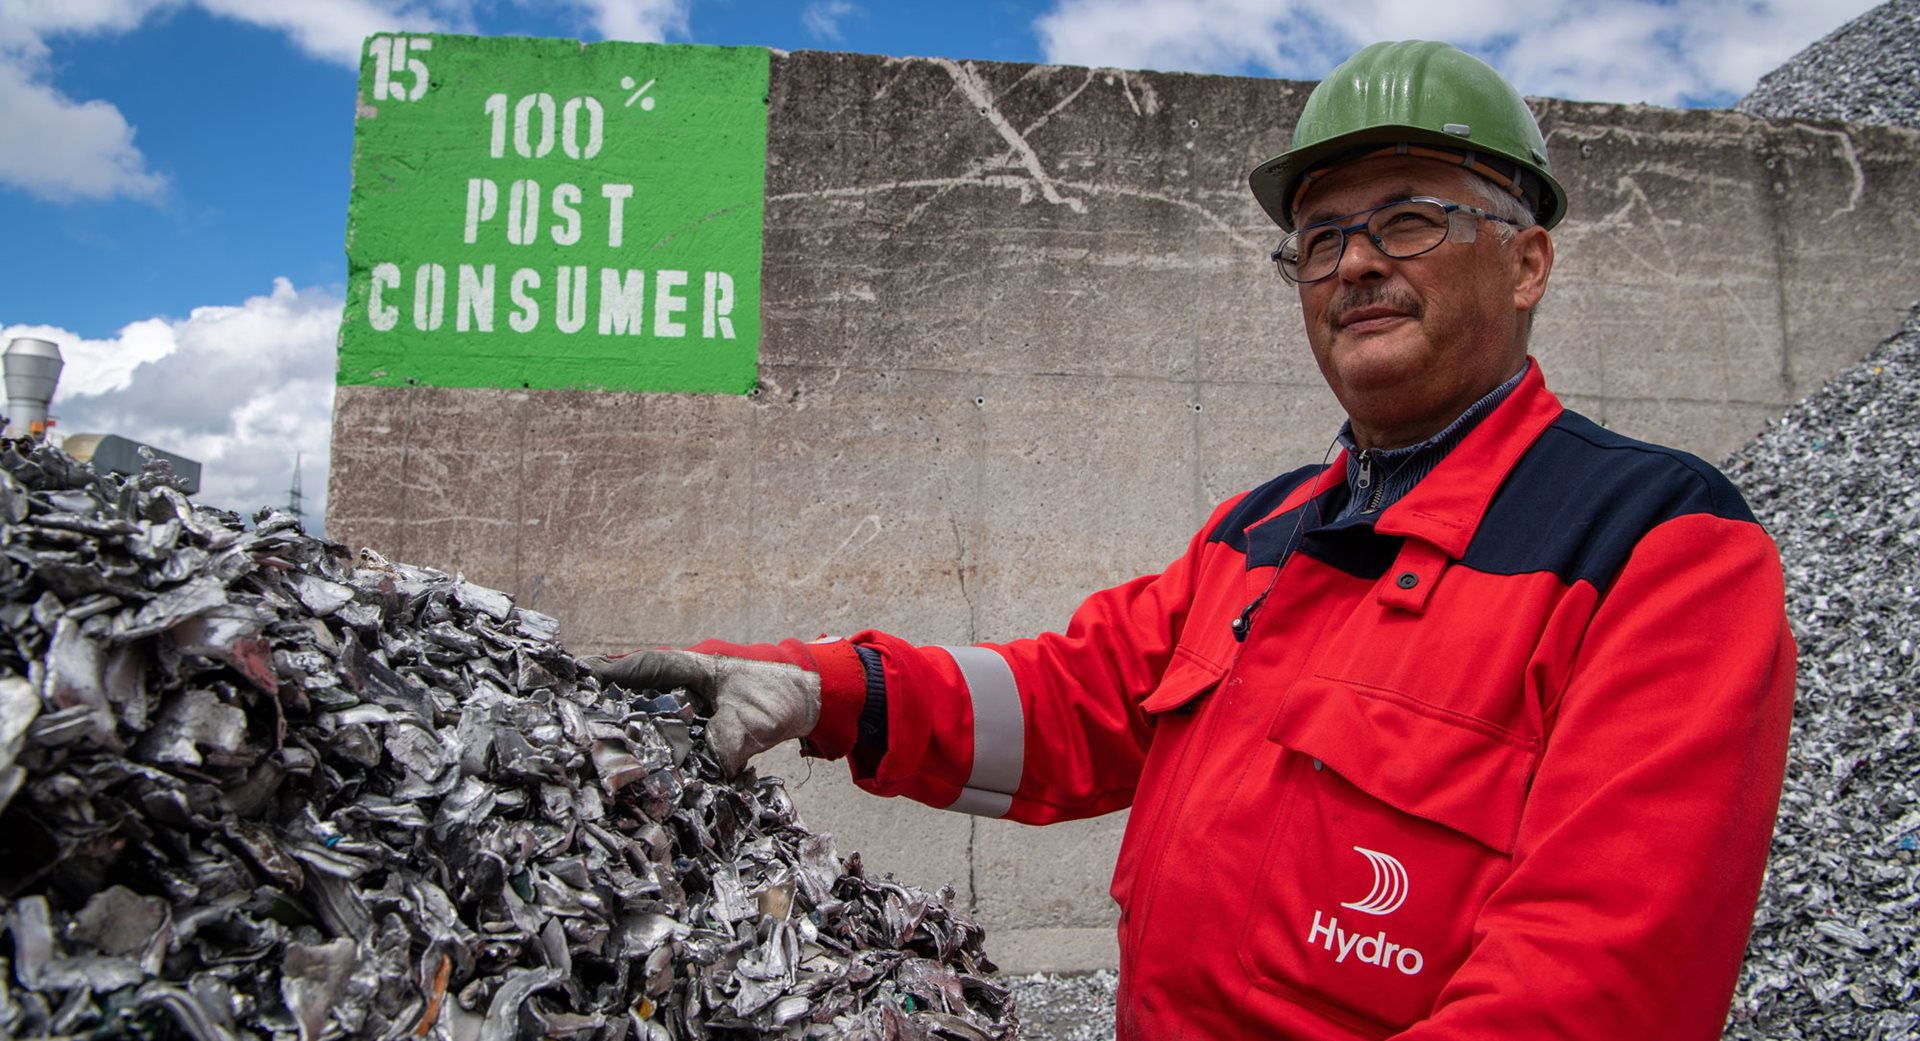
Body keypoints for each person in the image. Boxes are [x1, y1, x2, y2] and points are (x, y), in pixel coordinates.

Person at [590, 40, 1796, 1040]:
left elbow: (1592, 991)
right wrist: (824, 690)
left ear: (1528, 260)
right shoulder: (1258, 536)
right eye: (1320, 238)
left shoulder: (1657, 550)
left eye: (1411, 220)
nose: (1356, 261)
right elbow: (1066, 705)